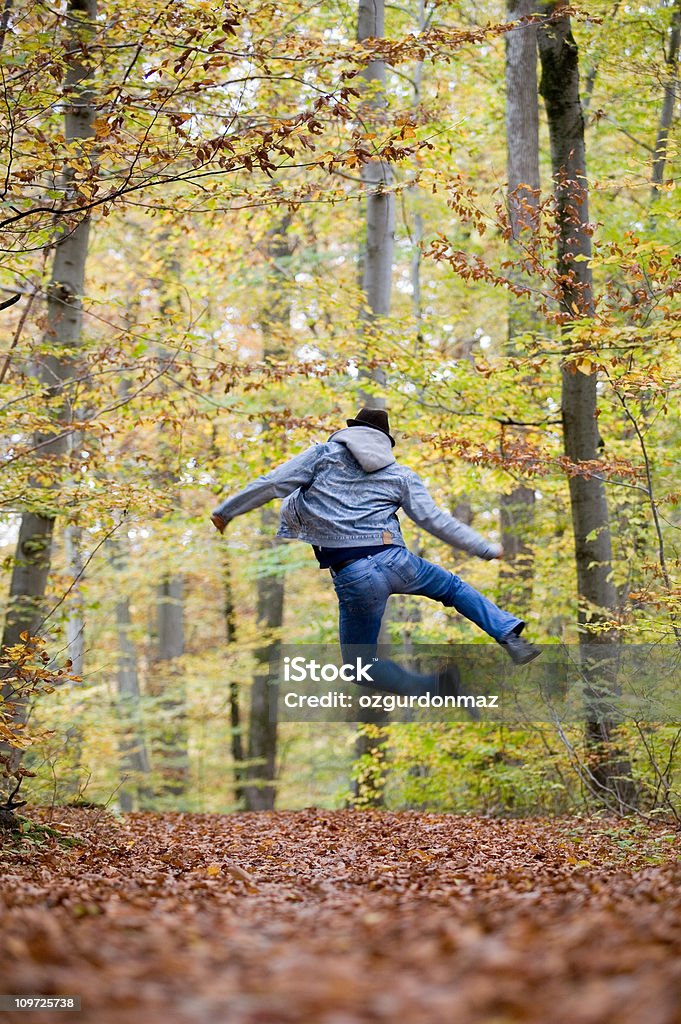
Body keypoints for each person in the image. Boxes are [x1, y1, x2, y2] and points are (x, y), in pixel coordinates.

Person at [210, 407, 540, 703]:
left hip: (354, 575)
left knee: (359, 669)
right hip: (397, 561)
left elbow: (273, 484)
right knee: (453, 589)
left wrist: (227, 511)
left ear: (351, 431)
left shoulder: (322, 456)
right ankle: (508, 635)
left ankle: (435, 688)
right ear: (384, 441)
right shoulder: (400, 475)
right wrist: (483, 547)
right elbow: (434, 520)